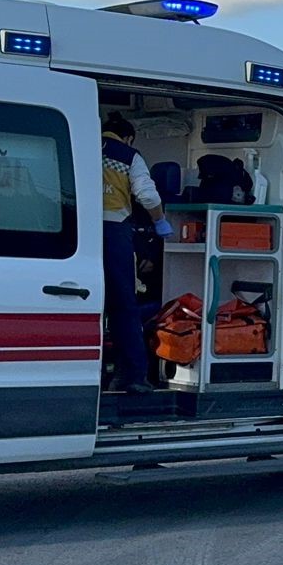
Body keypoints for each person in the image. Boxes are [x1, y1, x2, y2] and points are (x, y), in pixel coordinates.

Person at [101, 114, 167, 394]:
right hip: (113, 231)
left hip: (76, 225)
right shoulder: (128, 155)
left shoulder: (81, 143)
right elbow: (147, 195)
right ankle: (133, 377)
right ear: (128, 137)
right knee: (124, 308)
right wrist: (160, 221)